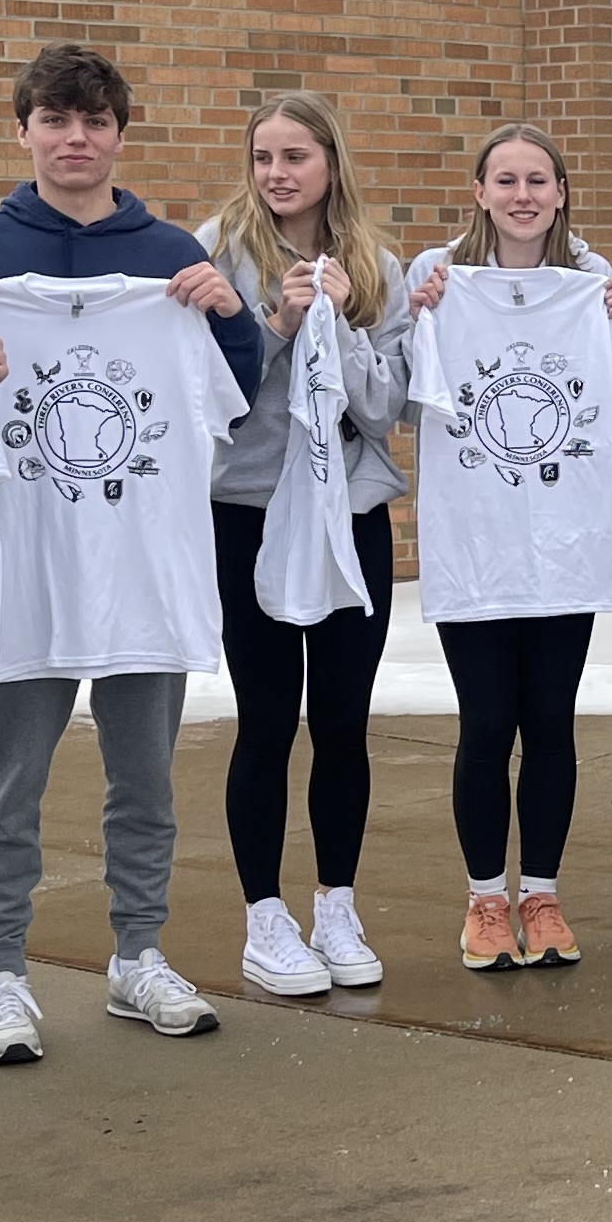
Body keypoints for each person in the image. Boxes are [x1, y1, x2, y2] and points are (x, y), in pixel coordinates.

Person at [0, 43, 260, 1062]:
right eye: (56, 120)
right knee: (7, 784)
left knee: (145, 780)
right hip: (17, 567)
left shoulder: (166, 254)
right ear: (23, 129)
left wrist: (229, 315)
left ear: (121, 132)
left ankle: (138, 955)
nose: (76, 139)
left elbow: (234, 395)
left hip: (140, 567)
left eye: (96, 121)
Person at [405, 123, 612, 972]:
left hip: (565, 543)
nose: (523, 194)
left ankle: (542, 893)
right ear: (480, 191)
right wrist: (418, 317)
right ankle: (484, 904)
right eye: (507, 180)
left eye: (539, 180)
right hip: (478, 540)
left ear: (562, 193)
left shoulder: (592, 280)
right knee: (487, 724)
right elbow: (403, 391)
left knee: (551, 724)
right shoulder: (437, 276)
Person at [204, 91, 407, 1000]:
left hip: (349, 514)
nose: (278, 174)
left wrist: (346, 325)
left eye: (296, 157)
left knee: (342, 722)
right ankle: (264, 917)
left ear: (331, 163)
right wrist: (278, 327)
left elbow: (384, 410)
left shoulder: (376, 262)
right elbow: (213, 397)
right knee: (268, 719)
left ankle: (335, 903)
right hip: (248, 509)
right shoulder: (217, 251)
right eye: (263, 158)